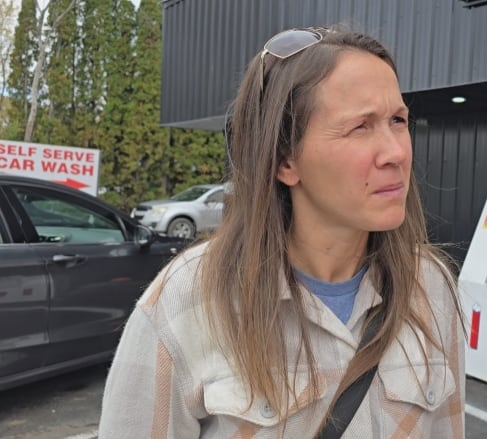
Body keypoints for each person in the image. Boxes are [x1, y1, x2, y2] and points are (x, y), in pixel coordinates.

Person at [99, 26, 465, 438]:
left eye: (398, 120)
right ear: (285, 161)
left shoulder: (430, 287)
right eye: (360, 127)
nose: (397, 152)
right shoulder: (188, 301)